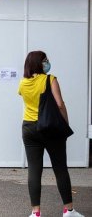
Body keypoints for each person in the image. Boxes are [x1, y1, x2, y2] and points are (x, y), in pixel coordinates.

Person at [19, 51, 83, 217]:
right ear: (38, 63)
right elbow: (60, 104)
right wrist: (65, 124)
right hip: (50, 128)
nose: (47, 62)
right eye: (45, 60)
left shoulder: (23, 83)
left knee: (34, 169)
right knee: (60, 168)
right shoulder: (50, 79)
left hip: (28, 128)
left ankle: (35, 213)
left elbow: (28, 101)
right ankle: (69, 211)